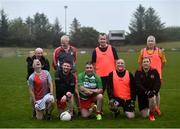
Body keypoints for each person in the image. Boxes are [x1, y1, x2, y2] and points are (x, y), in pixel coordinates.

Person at [138, 35, 166, 115]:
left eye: (152, 41)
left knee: (157, 92)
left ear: (155, 42)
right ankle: (150, 107)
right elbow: (140, 62)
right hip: (146, 75)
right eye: (149, 41)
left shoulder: (159, 51)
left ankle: (157, 107)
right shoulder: (142, 51)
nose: (150, 42)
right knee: (146, 91)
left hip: (157, 76)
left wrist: (159, 71)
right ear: (146, 42)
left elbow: (163, 62)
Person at [52, 35, 80, 115]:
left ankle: (79, 109)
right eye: (61, 43)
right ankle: (69, 109)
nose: (62, 44)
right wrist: (59, 72)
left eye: (64, 43)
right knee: (62, 90)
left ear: (68, 41)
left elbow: (74, 61)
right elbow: (54, 63)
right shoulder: (57, 50)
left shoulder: (73, 50)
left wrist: (73, 70)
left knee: (75, 91)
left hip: (72, 74)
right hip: (62, 75)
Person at [26, 48, 50, 118]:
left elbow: (47, 70)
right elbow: (29, 70)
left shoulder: (45, 60)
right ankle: (34, 109)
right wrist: (40, 68)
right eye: (38, 53)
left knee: (45, 94)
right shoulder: (30, 59)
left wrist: (38, 68)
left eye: (41, 53)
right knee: (33, 95)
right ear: (35, 53)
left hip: (43, 80)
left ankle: (45, 110)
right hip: (32, 79)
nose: (39, 55)